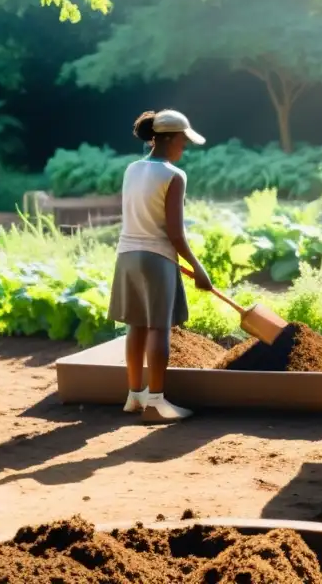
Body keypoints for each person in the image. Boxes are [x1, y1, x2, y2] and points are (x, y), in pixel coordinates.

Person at [108, 109, 213, 423]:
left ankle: (134, 395)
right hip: (157, 259)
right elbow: (175, 233)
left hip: (127, 254)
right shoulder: (173, 175)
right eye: (183, 140)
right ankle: (156, 401)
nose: (185, 146)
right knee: (158, 328)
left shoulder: (132, 169)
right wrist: (198, 268)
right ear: (169, 139)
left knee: (136, 326)